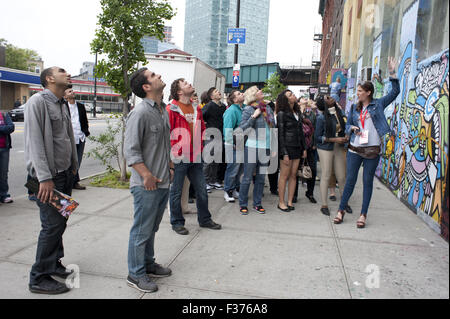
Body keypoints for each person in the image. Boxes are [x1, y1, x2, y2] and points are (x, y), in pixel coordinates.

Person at [25, 67, 78, 294]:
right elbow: (34, 141)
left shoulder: (61, 102)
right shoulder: (38, 102)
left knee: (60, 222)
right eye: (62, 71)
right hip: (47, 178)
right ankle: (38, 277)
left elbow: (68, 138)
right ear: (49, 78)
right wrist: (44, 177)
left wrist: (74, 168)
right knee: (52, 225)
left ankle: (54, 262)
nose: (68, 74)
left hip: (64, 174)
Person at [334, 57, 400, 228]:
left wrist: (392, 72)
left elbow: (395, 92)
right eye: (357, 91)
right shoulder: (354, 109)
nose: (358, 93)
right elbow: (347, 125)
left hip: (372, 151)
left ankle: (363, 214)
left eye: (360, 91)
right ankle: (341, 210)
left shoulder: (378, 104)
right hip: (355, 149)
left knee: (367, 182)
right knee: (350, 181)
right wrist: (352, 129)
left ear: (368, 92)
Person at [124, 67, 173, 293]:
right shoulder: (140, 112)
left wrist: (170, 168)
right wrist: (146, 175)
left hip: (162, 181)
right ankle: (135, 273)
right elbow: (131, 151)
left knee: (151, 228)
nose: (159, 76)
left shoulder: (161, 110)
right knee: (142, 230)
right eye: (154, 76)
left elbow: (162, 146)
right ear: (146, 87)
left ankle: (148, 263)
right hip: (147, 184)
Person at [168, 78, 222, 235]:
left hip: (196, 156)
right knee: (176, 192)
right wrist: (170, 160)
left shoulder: (196, 107)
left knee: (201, 190)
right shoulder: (171, 109)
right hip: (179, 157)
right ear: (179, 92)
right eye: (184, 83)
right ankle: (177, 222)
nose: (189, 84)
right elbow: (166, 135)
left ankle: (205, 220)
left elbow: (202, 129)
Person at [238, 86, 275, 215]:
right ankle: (243, 203)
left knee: (260, 178)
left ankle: (257, 203)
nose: (261, 91)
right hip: (252, 146)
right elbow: (243, 128)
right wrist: (254, 116)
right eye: (258, 90)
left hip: (265, 147)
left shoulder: (268, 108)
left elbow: (272, 128)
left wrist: (273, 147)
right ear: (254, 95)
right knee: (247, 177)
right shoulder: (248, 109)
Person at [314, 94, 351, 216]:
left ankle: (344, 202)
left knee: (341, 177)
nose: (331, 97)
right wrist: (334, 140)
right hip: (326, 147)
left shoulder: (338, 112)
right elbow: (317, 137)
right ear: (324, 103)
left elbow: (343, 128)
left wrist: (345, 136)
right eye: (327, 98)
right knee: (326, 175)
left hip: (339, 146)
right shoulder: (321, 118)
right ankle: (324, 205)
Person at [276, 90, 307, 212]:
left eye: (292, 94)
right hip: (287, 148)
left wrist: (304, 148)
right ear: (286, 99)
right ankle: (281, 202)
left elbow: (301, 132)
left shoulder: (298, 113)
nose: (293, 95)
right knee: (284, 176)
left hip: (297, 147)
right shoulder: (281, 114)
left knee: (294, 175)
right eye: (290, 95)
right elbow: (280, 135)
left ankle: (289, 201)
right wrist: (284, 152)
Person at [64, 86, 90, 190]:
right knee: (69, 162)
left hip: (80, 137)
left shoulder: (80, 106)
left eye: (72, 91)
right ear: (65, 96)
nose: (72, 92)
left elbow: (84, 120)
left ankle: (74, 182)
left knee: (77, 162)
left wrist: (85, 131)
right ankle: (69, 183)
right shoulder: (63, 107)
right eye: (70, 91)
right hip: (69, 138)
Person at [202, 87, 226, 191]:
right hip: (210, 136)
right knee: (208, 160)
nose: (219, 92)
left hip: (220, 136)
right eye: (216, 92)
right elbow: (201, 116)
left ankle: (213, 181)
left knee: (216, 160)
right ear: (212, 96)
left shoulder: (223, 106)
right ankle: (204, 182)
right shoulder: (209, 106)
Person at [223, 89, 245, 202]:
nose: (242, 94)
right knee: (232, 168)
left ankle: (235, 188)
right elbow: (228, 128)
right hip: (233, 143)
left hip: (241, 142)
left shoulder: (243, 108)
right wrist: (232, 143)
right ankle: (227, 190)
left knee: (239, 169)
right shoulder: (231, 111)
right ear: (235, 99)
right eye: (239, 94)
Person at [294, 98, 318, 204]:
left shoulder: (310, 113)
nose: (306, 99)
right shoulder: (295, 112)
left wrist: (314, 144)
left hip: (310, 146)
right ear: (299, 102)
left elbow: (314, 127)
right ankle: (294, 194)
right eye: (303, 99)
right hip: (298, 146)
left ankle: (310, 193)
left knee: (312, 170)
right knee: (296, 171)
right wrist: (301, 112)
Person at [0, 110, 14, 203]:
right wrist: (2, 128)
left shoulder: (4, 114)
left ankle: (4, 195)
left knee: (3, 174)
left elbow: (11, 127)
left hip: (4, 148)